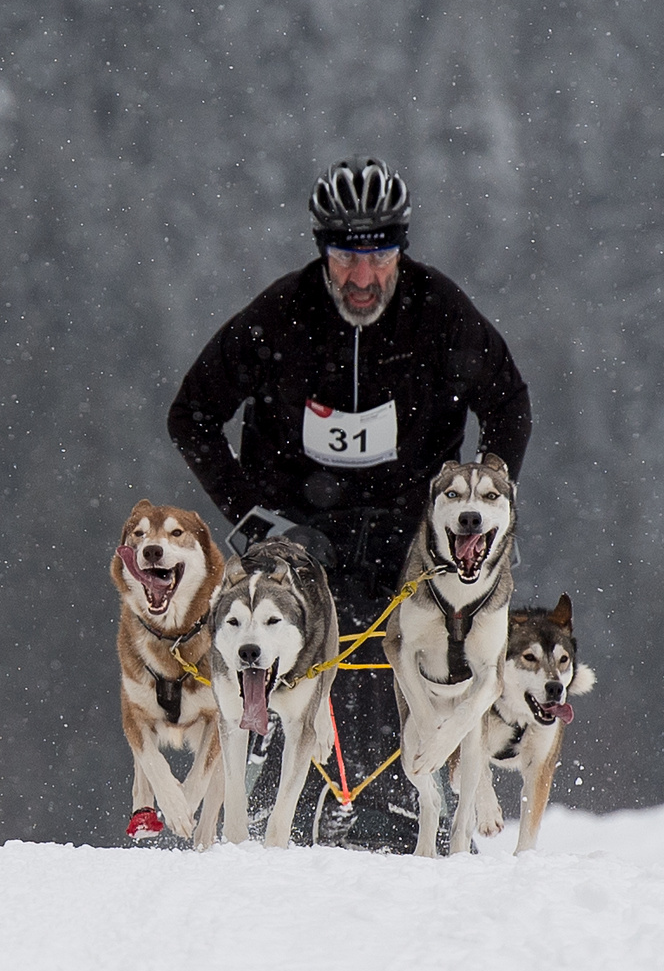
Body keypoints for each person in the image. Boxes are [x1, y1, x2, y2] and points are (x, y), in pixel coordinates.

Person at [168, 156, 531, 852]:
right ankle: (275, 798)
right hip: (295, 521)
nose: (363, 280)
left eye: (380, 258)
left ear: (401, 250)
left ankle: (395, 800)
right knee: (292, 624)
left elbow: (510, 404)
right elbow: (192, 415)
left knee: (394, 627)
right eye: (345, 260)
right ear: (321, 252)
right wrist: (251, 518)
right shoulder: (280, 317)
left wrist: (486, 498)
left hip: (409, 521)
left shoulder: (440, 312)